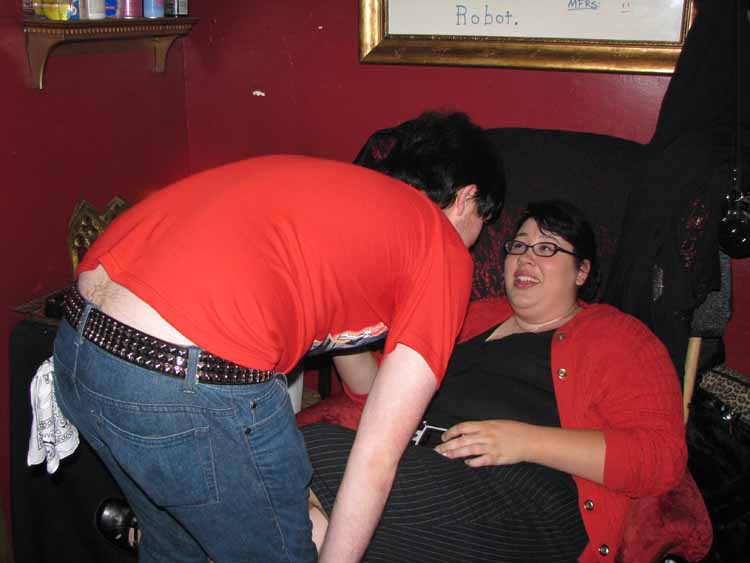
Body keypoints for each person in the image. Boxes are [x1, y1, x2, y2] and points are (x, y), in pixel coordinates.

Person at [51, 110, 504, 563]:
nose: (475, 241)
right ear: (467, 198)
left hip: (78, 346)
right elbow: (376, 457)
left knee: (175, 545)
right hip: (180, 381)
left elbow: (365, 381)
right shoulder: (442, 246)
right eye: (484, 221)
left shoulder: (343, 193)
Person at [303, 200, 687, 562]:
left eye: (547, 248)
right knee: (310, 528)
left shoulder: (619, 336)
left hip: (528, 497)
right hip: (428, 469)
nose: (525, 257)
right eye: (518, 245)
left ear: (582, 271)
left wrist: (521, 440)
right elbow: (380, 392)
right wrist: (340, 325)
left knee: (310, 451)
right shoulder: (474, 316)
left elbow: (660, 458)